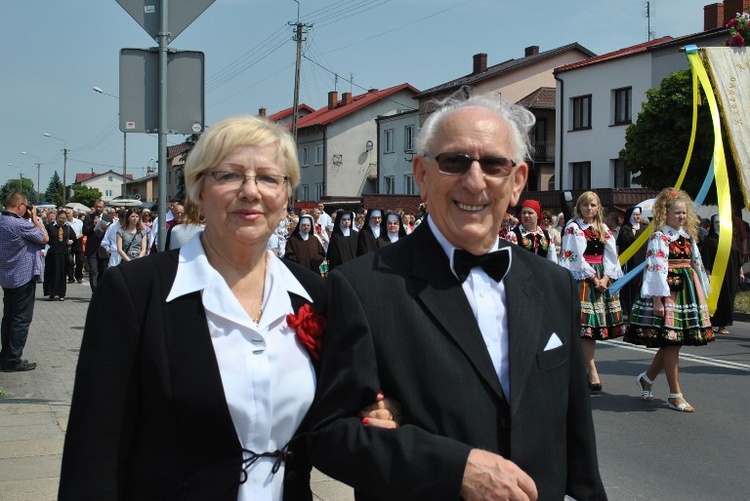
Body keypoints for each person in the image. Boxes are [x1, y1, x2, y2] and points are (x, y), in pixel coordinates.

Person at [59, 115, 395, 500]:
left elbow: (340, 413)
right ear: (199, 190)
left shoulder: (313, 294)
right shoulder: (135, 293)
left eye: (269, 178)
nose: (251, 191)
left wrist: (379, 415)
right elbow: (93, 454)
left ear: (286, 196)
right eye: (229, 176)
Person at [308, 96, 606, 500]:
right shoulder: (363, 287)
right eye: (455, 162)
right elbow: (329, 434)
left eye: (494, 165)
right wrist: (455, 468)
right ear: (422, 174)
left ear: (517, 181)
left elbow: (577, 437)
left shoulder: (553, 283)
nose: (475, 180)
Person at [625, 188, 713, 413]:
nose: (681, 217)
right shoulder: (659, 236)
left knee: (673, 341)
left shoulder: (687, 236)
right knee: (672, 341)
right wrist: (657, 299)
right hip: (668, 292)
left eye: (684, 213)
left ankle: (647, 378)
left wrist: (703, 287)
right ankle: (675, 394)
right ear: (666, 214)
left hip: (686, 289)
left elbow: (696, 263)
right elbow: (656, 268)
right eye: (677, 213)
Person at [560, 191, 626, 392]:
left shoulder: (603, 228)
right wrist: (594, 278)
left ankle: (584, 368)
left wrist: (606, 277)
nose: (589, 209)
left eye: (593, 205)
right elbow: (574, 257)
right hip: (584, 278)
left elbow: (611, 256)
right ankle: (591, 368)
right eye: (586, 205)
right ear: (579, 207)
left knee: (592, 328)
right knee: (585, 325)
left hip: (600, 277)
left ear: (599, 208)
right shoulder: (573, 228)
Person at [0, 193, 48, 372]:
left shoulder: (1, 221)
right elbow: (44, 238)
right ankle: (13, 360)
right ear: (21, 206)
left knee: (9, 318)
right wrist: (35, 218)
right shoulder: (19, 224)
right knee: (21, 319)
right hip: (23, 276)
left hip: (6, 276)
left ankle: (5, 355)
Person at [700, 214, 742, 335]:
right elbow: (706, 259)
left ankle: (723, 325)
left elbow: (737, 255)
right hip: (715, 275)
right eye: (716, 222)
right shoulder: (710, 240)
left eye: (721, 222)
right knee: (716, 298)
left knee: (728, 298)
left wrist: (740, 271)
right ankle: (711, 323)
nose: (719, 224)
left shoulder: (729, 239)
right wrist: (708, 274)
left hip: (731, 274)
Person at [505, 199, 557, 263]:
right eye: (524, 213)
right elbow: (509, 261)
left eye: (530, 213)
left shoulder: (546, 236)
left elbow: (552, 261)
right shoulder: (513, 235)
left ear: (537, 215)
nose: (526, 215)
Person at [616, 206, 646, 316]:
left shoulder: (644, 229)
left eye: (639, 214)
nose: (638, 217)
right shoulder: (625, 228)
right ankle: (628, 309)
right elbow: (623, 243)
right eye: (635, 215)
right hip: (629, 263)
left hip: (641, 261)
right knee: (629, 286)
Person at [44, 210, 76, 301]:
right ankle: (51, 292)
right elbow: (44, 238)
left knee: (62, 274)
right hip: (52, 253)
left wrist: (71, 241)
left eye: (64, 218)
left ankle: (61, 294)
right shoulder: (50, 227)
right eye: (60, 218)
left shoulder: (68, 228)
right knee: (52, 273)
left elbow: (74, 238)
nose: (62, 220)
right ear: (57, 217)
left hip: (63, 254)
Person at [82, 199, 111, 291]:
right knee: (93, 271)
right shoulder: (88, 217)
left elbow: (112, 233)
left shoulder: (108, 218)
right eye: (97, 207)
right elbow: (85, 232)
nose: (98, 209)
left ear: (103, 207)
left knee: (103, 271)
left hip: (103, 249)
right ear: (94, 207)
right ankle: (95, 291)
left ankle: (101, 290)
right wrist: (93, 225)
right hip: (92, 249)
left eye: (100, 207)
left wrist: (106, 230)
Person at [65, 208, 85, 284]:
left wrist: (76, 237)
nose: (67, 215)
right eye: (66, 213)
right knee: (69, 261)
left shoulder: (79, 222)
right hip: (68, 242)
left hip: (77, 241)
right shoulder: (65, 223)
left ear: (73, 214)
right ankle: (70, 277)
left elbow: (83, 232)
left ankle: (79, 276)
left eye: (69, 213)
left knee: (80, 260)